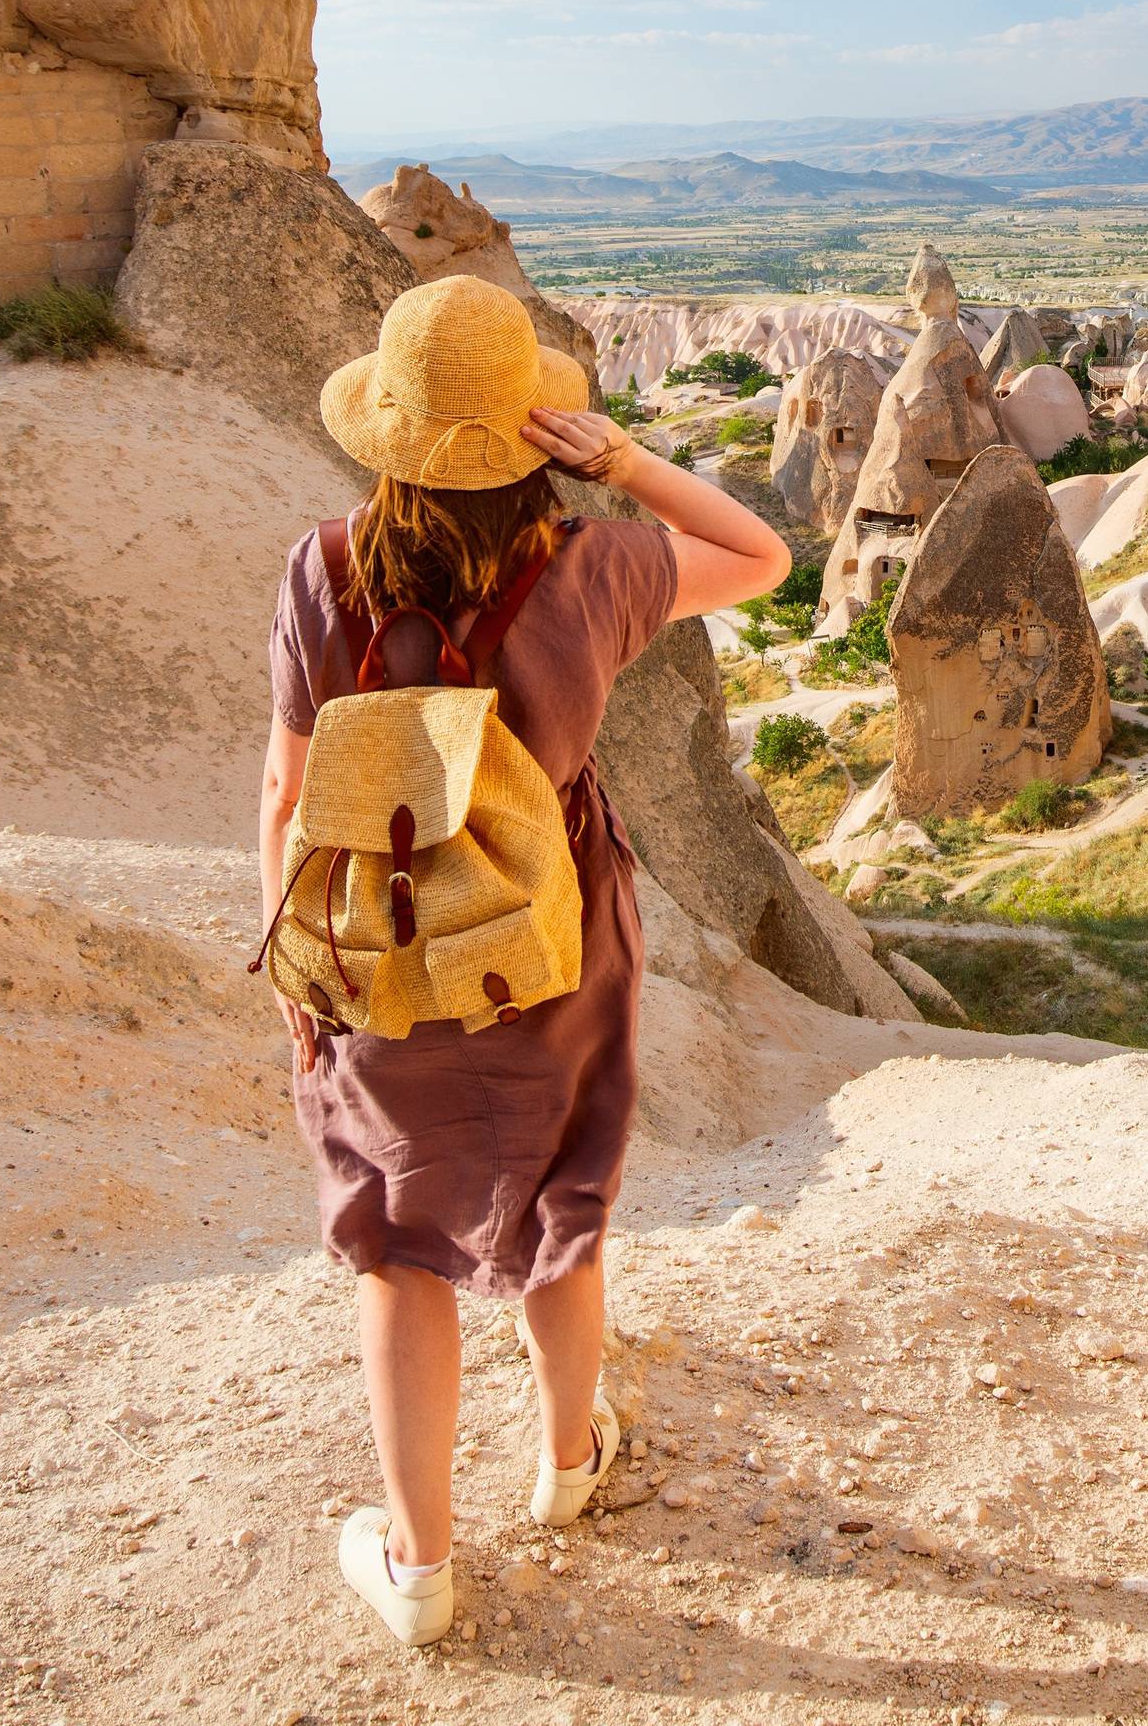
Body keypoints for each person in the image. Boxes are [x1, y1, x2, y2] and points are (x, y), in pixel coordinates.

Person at [261, 274, 790, 1647]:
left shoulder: (322, 571)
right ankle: (567, 1467)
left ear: (386, 433)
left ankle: (422, 1567)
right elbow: (762, 557)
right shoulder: (599, 567)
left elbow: (283, 792)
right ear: (529, 433)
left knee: (398, 1244)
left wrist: (297, 979)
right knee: (560, 1198)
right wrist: (615, 459)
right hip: (549, 945)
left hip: (378, 951)